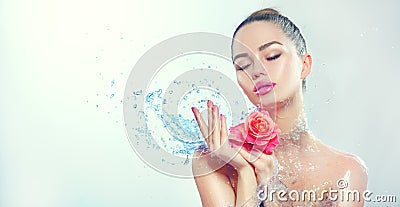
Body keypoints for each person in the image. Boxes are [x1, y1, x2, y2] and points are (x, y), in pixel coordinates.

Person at [191, 8, 368, 207]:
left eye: (272, 56)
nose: (257, 71)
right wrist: (246, 172)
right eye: (243, 66)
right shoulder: (213, 159)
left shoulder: (345, 170)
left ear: (304, 65)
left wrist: (267, 185)